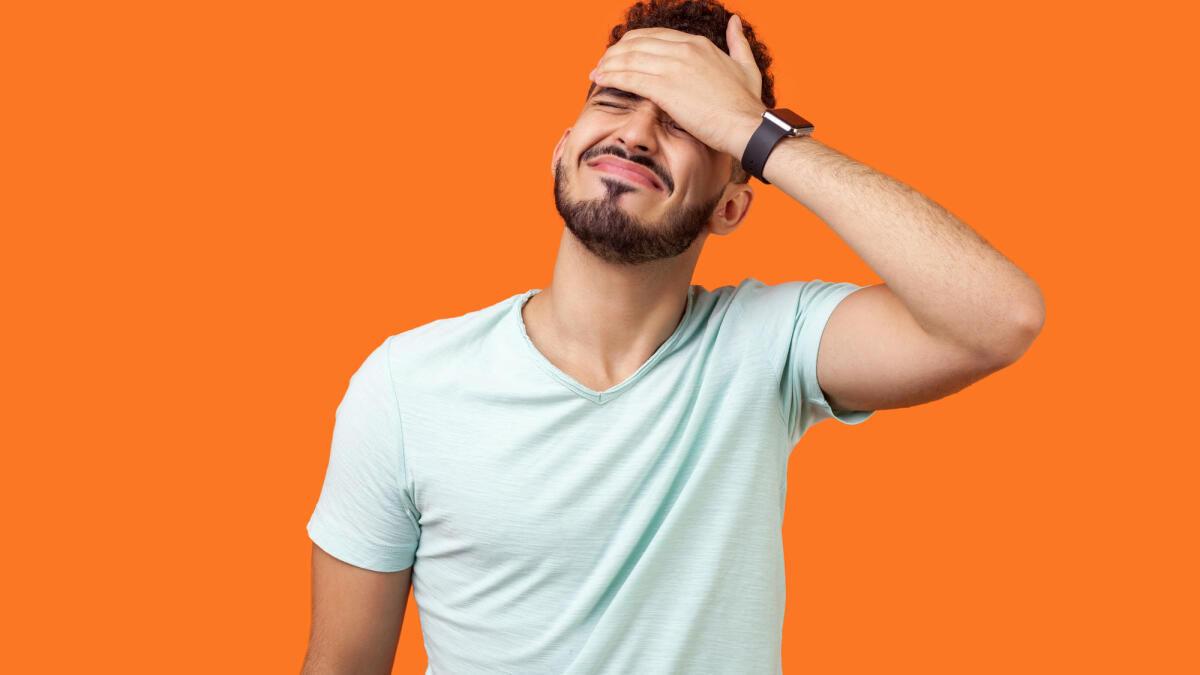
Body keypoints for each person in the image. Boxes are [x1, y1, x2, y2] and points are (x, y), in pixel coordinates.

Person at [301, 1, 1045, 672]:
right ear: (560, 150)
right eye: (616, 102)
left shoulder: (768, 346)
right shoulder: (407, 384)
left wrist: (759, 134)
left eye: (687, 121)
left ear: (731, 206)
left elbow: (999, 317)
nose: (635, 132)